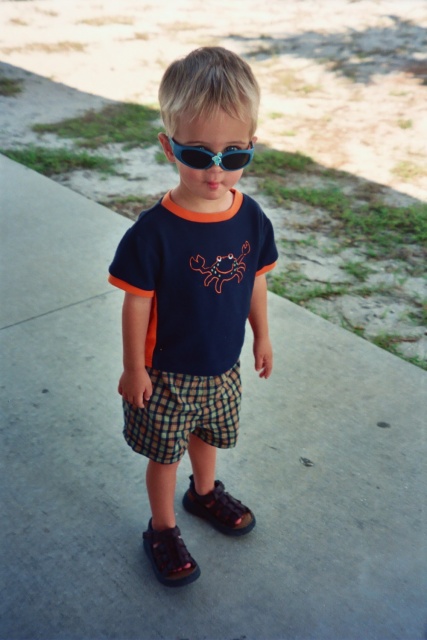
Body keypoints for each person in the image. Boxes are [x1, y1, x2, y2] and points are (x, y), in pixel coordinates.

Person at [108, 46, 278, 587]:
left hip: (222, 366)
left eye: (234, 155)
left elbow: (255, 279)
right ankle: (162, 527)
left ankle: (204, 495)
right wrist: (134, 368)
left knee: (207, 438)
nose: (216, 169)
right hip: (166, 373)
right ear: (167, 146)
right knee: (164, 454)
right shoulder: (153, 232)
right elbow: (136, 302)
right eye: (198, 154)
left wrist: (262, 337)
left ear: (251, 146)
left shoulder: (250, 217)